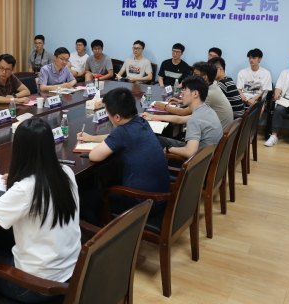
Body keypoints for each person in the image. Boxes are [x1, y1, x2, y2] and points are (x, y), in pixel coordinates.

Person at [0, 117, 80, 304]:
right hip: (70, 273)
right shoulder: (66, 172)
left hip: (35, 287)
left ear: (19, 150)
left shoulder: (25, 189)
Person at [76, 87, 170, 226]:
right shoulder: (140, 121)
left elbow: (94, 156)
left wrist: (93, 144)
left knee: (85, 199)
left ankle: (99, 235)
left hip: (143, 202)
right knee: (111, 181)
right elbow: (115, 137)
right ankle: (106, 221)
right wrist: (92, 138)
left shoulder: (122, 132)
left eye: (108, 113)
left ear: (117, 117)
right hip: (160, 196)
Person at [142, 76, 223, 159]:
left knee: (152, 140)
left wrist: (169, 149)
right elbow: (180, 119)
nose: (181, 94)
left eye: (184, 90)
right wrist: (151, 116)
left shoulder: (195, 119)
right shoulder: (207, 110)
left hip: (197, 161)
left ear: (195, 94)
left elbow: (190, 152)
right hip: (207, 155)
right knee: (157, 139)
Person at [152, 62, 233, 131]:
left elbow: (183, 112)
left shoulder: (209, 94)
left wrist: (164, 107)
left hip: (215, 135)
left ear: (205, 77)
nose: (193, 77)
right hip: (216, 129)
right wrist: (180, 101)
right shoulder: (213, 87)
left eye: (195, 75)